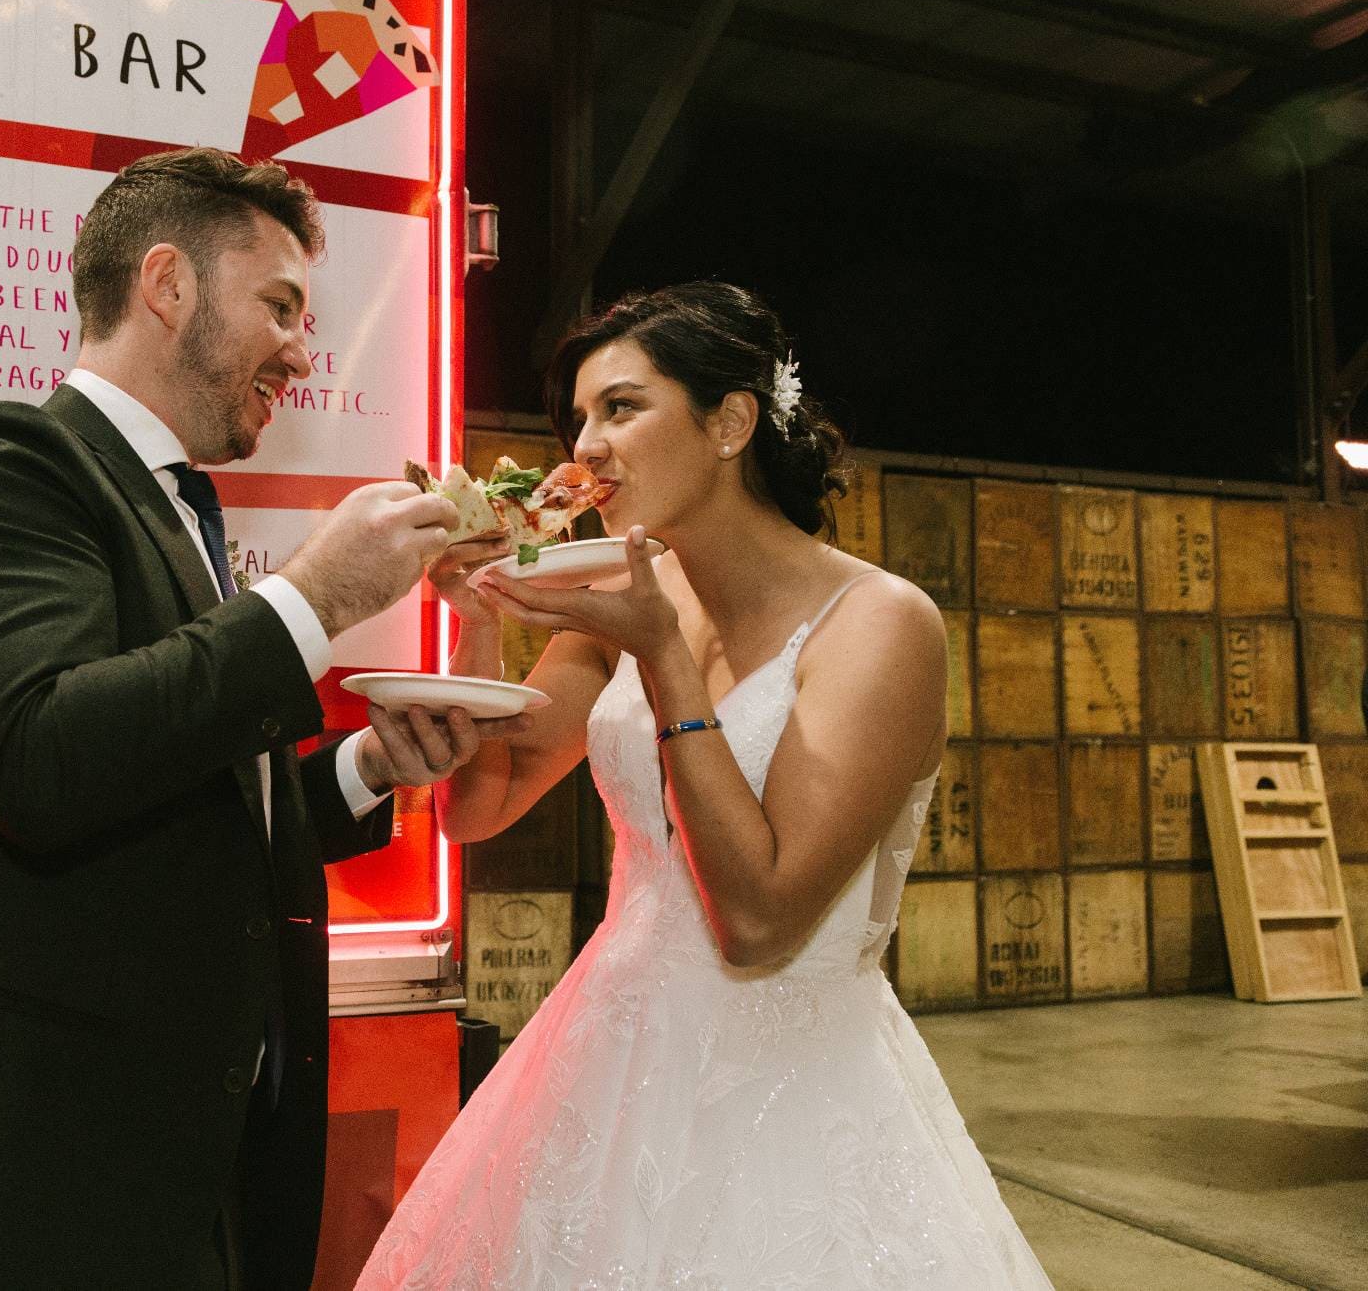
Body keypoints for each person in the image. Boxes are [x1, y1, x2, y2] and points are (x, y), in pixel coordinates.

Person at [0, 147, 526, 1290]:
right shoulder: (4, 463)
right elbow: (43, 761)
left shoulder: (180, 516)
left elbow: (190, 809)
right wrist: (316, 598)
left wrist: (369, 766)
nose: (301, 352)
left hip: (163, 1175)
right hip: (10, 1175)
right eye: (278, 305)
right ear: (167, 285)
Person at [358, 281, 1052, 1288]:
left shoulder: (880, 625)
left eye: (621, 408)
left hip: (794, 1088)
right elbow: (480, 805)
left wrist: (663, 658)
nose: (583, 446)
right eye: (578, 418)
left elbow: (760, 921)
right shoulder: (616, 594)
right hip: (604, 1053)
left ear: (729, 422)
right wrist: (477, 611)